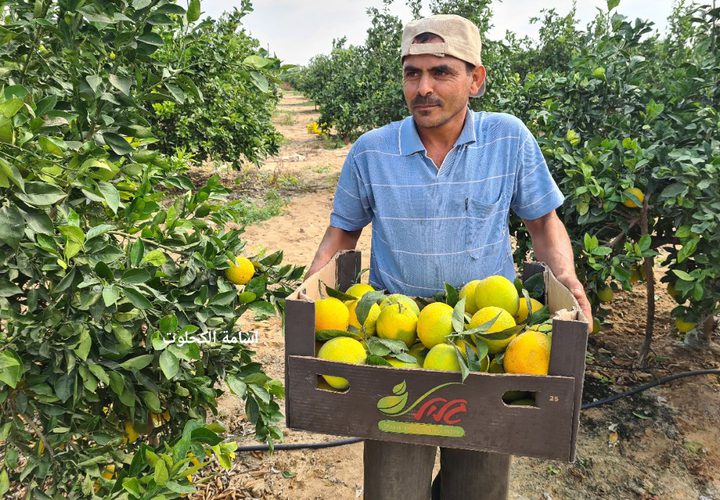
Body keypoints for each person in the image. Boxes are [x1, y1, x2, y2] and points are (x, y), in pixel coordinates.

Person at [306, 13, 592, 500]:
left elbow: (543, 222)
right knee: (394, 487)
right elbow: (342, 233)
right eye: (412, 73)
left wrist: (564, 274)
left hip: (489, 343)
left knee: (477, 484)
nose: (423, 88)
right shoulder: (371, 151)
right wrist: (308, 290)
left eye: (441, 72)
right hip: (394, 343)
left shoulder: (508, 139)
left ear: (475, 79)